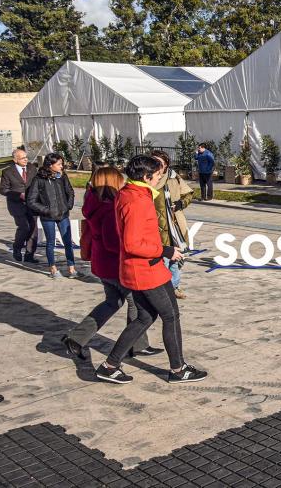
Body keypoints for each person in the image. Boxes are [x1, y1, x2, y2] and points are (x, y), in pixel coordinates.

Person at [95, 155, 207, 384]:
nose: (159, 178)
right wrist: (165, 250)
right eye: (157, 175)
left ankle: (109, 365)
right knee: (171, 316)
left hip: (148, 268)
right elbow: (133, 243)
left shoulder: (132, 193)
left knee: (145, 317)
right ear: (146, 177)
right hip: (145, 269)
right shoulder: (136, 200)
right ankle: (178, 369)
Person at [61, 167, 162, 360]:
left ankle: (76, 339)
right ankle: (135, 345)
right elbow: (113, 242)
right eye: (120, 180)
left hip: (102, 263)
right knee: (138, 304)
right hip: (114, 265)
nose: (123, 184)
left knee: (112, 302)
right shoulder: (108, 208)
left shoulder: (93, 202)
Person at [26, 153, 78, 279]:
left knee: (68, 242)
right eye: (59, 164)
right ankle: (53, 269)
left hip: (63, 215)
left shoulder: (62, 176)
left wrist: (68, 205)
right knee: (50, 243)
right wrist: (46, 210)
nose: (62, 166)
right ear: (50, 165)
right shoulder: (39, 179)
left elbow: (70, 191)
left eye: (62, 163)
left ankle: (72, 268)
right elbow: (31, 201)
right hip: (48, 217)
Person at [150, 150, 194, 299]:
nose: (156, 166)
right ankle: (163, 289)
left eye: (160, 164)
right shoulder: (148, 180)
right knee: (163, 259)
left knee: (176, 260)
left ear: (166, 165)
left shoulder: (174, 178)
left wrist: (181, 203)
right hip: (156, 225)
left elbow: (188, 194)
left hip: (175, 225)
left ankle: (174, 286)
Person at [0, 147, 39, 263]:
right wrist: (18, 195)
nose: (26, 160)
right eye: (22, 158)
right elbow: (3, 190)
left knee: (33, 229)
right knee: (24, 227)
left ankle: (29, 255)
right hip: (17, 205)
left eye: (26, 157)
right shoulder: (7, 172)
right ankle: (17, 248)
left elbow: (38, 184)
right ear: (15, 160)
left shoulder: (32, 168)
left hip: (32, 204)